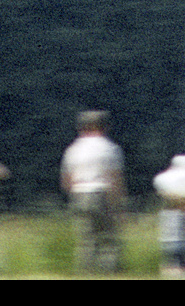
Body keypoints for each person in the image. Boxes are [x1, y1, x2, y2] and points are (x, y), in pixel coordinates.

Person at [60, 110, 125, 273]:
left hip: (79, 194)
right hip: (102, 193)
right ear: (105, 127)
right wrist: (118, 204)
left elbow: (66, 180)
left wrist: (73, 194)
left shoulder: (72, 150)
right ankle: (108, 273)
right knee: (108, 240)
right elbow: (115, 179)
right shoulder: (110, 148)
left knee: (85, 241)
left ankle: (84, 273)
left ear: (81, 128)